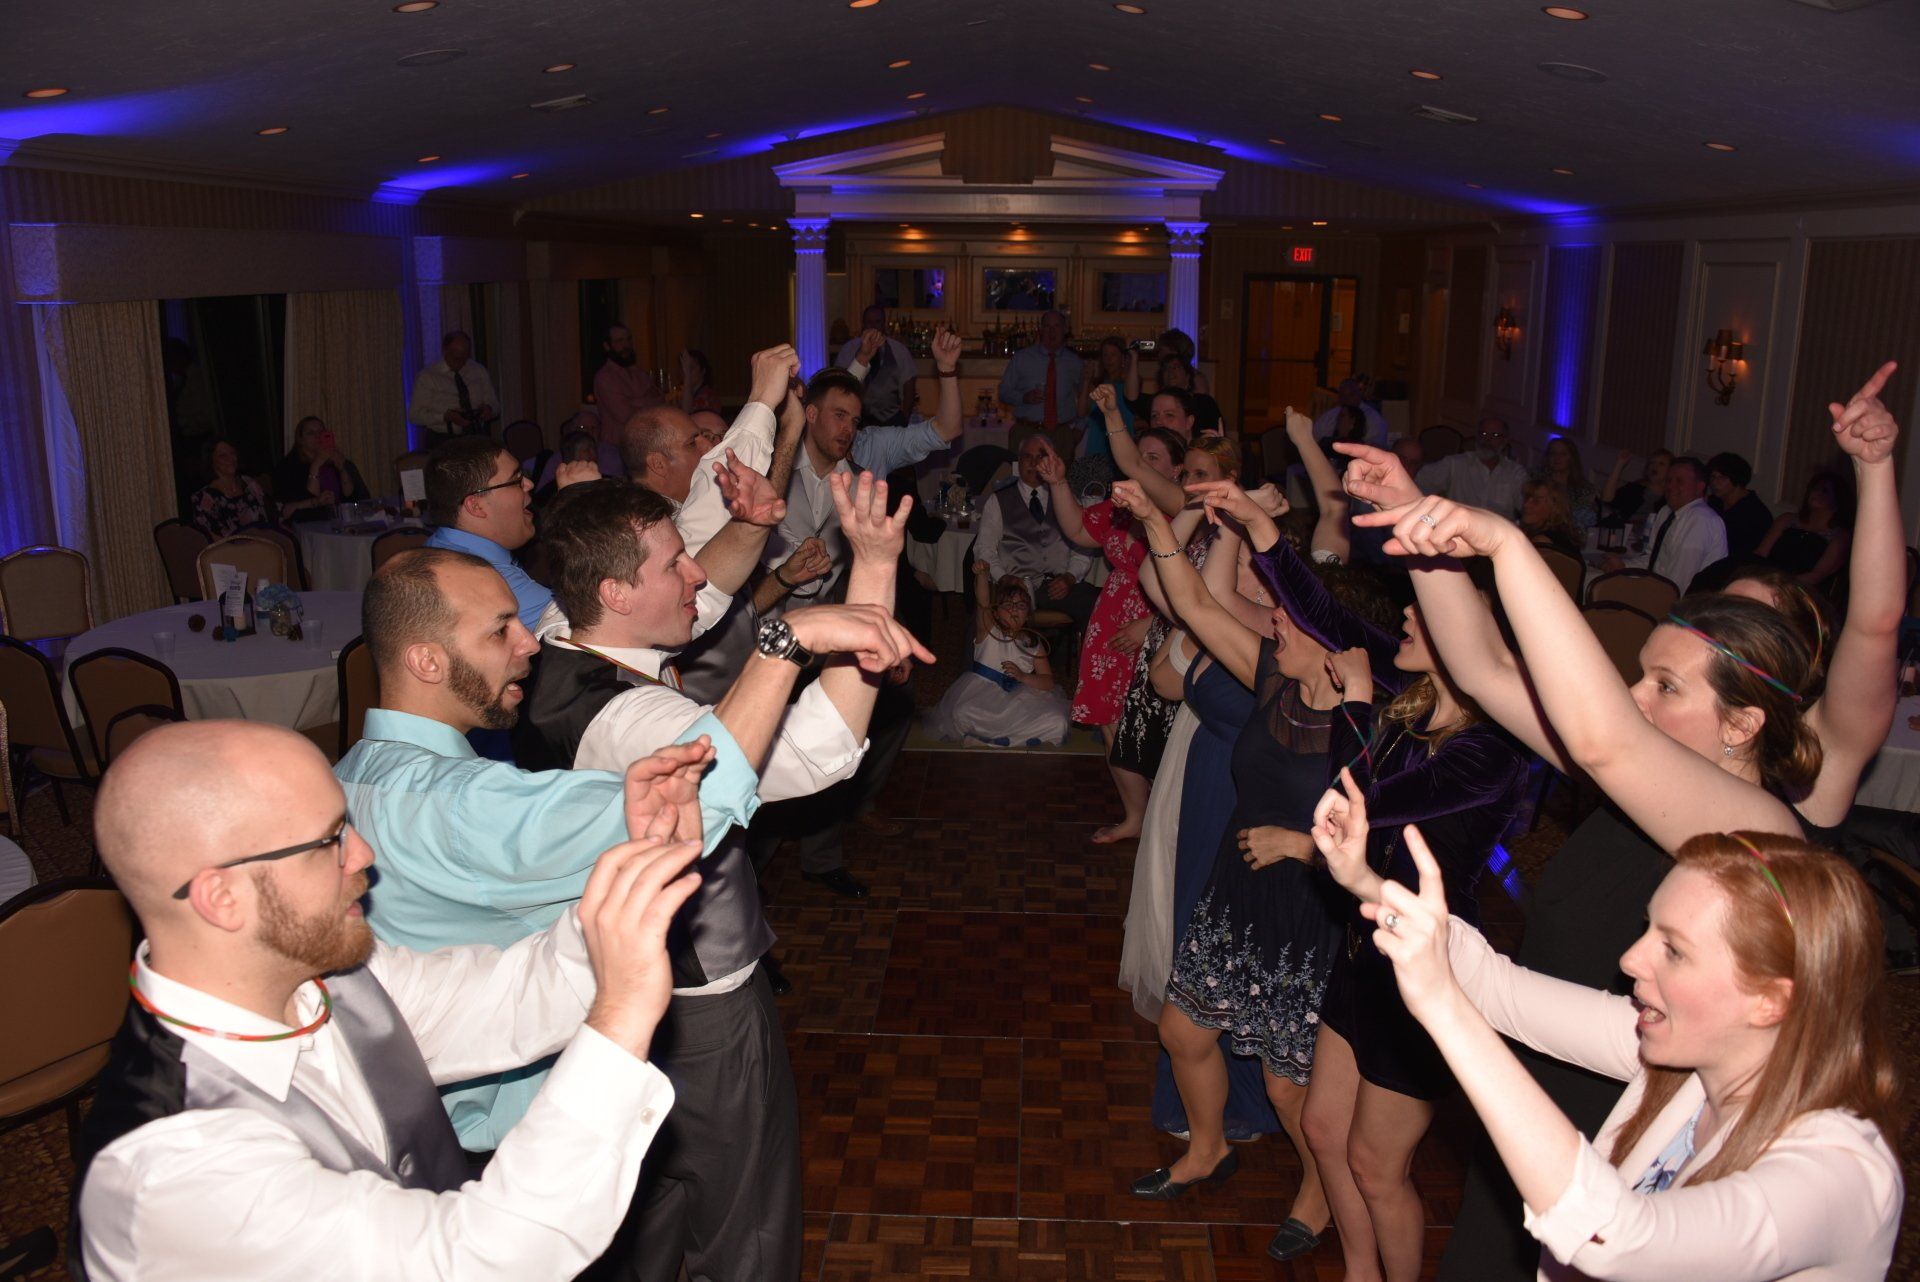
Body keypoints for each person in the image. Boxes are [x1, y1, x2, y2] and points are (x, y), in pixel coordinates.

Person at [1340, 446, 1829, 1281]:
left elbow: (1604, 740)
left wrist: (1505, 543)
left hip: (1626, 1108)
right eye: (1640, 678)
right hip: (1541, 1072)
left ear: (1743, 725)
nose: (1635, 699)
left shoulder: (1759, 828)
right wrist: (1420, 524)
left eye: (1665, 688)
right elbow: (1487, 671)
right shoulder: (1633, 792)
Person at [73, 718, 700, 1281]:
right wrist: (623, 1014)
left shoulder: (329, 980)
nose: (364, 855)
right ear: (222, 898)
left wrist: (641, 865)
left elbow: (509, 997)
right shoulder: (174, 1172)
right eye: (329, 840)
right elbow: (480, 1258)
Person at [512, 475, 928, 1280]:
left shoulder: (568, 631)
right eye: (676, 564)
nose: (698, 576)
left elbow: (705, 590)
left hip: (613, 986)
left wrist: (745, 524)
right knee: (746, 1223)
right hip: (701, 999)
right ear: (615, 591)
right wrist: (872, 573)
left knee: (650, 1206)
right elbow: (807, 760)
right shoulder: (629, 720)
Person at [1313, 804, 1902, 1282]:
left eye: (1673, 949)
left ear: (1771, 1000)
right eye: (1649, 929)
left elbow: (1614, 1238)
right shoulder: (1686, 1059)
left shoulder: (1839, 1174)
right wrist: (1366, 880)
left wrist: (1444, 1010)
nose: (1629, 959)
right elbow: (1501, 990)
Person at [1113, 478, 1403, 1264]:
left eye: (1286, 614)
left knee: (1288, 1088)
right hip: (1237, 889)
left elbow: (1394, 849)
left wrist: (1302, 845)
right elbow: (1197, 609)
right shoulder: (1273, 673)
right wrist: (1152, 523)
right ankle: (1208, 1147)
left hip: (1313, 910)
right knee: (1184, 1029)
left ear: (1332, 635)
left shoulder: (1373, 724)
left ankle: (1317, 1193)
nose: (1272, 618)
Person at [1045, 426, 1188, 843]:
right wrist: (1057, 482)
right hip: (1110, 622)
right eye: (1136, 457)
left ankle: (1167, 819)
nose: (1140, 466)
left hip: (1161, 618)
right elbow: (1076, 530)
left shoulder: (1184, 513)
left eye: (1152, 459)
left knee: (1155, 722)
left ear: (1176, 471)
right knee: (1110, 721)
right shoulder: (1120, 508)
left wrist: (1154, 625)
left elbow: (1199, 585)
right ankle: (1136, 815)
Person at [926, 566, 1071, 746]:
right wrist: (982, 575)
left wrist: (1023, 676)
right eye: (1008, 605)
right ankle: (1008, 736)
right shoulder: (988, 631)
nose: (1014, 610)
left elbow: (1048, 681)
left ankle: (988, 736)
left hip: (1019, 698)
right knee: (963, 712)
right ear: (995, 612)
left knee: (1057, 721)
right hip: (982, 694)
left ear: (1027, 615)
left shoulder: (1033, 644)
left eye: (1020, 605)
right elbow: (983, 603)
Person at [422, 435, 552, 631]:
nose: (529, 484)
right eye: (516, 480)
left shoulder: (440, 545)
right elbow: (596, 629)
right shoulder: (486, 580)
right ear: (476, 506)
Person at [973, 434, 1099, 626]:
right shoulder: (998, 501)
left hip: (1058, 583)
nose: (1033, 463)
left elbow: (1082, 547)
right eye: (1027, 457)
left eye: (1040, 457)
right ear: (1019, 461)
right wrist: (1003, 577)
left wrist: (1070, 577)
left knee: (1100, 603)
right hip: (1017, 586)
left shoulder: (1066, 497)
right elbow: (984, 549)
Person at [1603, 455, 1728, 592]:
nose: (1671, 486)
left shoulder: (1700, 519)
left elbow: (1679, 583)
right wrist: (1624, 566)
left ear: (1699, 487)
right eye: (1669, 480)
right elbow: (1653, 560)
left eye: (1679, 481)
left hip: (1687, 605)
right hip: (1661, 590)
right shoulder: (1666, 511)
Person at [998, 309, 1085, 458]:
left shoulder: (1075, 362)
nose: (1052, 331)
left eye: (1056, 326)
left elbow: (1086, 399)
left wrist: (1079, 428)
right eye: (1047, 326)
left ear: (1064, 330)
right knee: (1018, 477)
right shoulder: (1022, 358)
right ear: (1040, 330)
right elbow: (1003, 392)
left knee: (1061, 480)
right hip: (1026, 431)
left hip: (1061, 435)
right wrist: (1024, 398)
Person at [1414, 416, 1528, 519]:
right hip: (1460, 530)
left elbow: (1527, 507)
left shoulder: (1515, 473)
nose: (1487, 440)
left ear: (1505, 440)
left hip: (1500, 534)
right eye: (1483, 434)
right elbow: (1420, 483)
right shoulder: (1455, 464)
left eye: (1495, 435)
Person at [1757, 469, 1853, 588]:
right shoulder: (1787, 520)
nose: (1817, 493)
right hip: (1769, 579)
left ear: (1838, 499)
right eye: (1815, 489)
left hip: (1803, 590)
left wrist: (1781, 586)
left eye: (1825, 491)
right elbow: (1760, 553)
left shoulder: (1840, 536)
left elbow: (1817, 575)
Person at [272, 416, 369, 524]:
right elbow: (295, 506)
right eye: (311, 433)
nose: (318, 437)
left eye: (321, 432)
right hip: (308, 525)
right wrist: (317, 464)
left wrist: (342, 469)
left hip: (340, 522)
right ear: (301, 440)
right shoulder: (289, 466)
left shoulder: (335, 461)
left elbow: (356, 499)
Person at [409, 330, 500, 441]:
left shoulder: (478, 371)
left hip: (476, 436)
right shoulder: (428, 376)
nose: (461, 363)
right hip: (443, 439)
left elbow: (495, 405)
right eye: (456, 358)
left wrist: (489, 409)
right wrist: (445, 417)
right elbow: (414, 416)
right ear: (445, 350)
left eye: (465, 357)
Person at [837, 306, 916, 427]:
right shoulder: (849, 349)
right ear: (863, 323)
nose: (873, 326)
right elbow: (838, 382)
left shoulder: (899, 350)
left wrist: (904, 417)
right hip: (857, 419)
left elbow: (909, 385)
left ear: (883, 323)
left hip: (891, 420)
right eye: (869, 322)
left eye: (877, 322)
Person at [191, 439, 273, 537]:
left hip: (263, 545)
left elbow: (268, 513)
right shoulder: (203, 499)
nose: (230, 458)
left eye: (232, 453)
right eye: (223, 455)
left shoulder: (249, 483)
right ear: (211, 461)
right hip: (229, 550)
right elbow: (210, 539)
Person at [593, 323, 664, 431]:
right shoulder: (604, 377)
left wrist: (633, 402)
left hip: (643, 441)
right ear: (607, 346)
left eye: (628, 339)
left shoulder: (639, 373)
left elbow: (660, 400)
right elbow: (625, 416)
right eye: (619, 341)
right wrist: (646, 401)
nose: (626, 345)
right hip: (616, 445)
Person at [1707, 451, 1773, 562]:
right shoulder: (1714, 502)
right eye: (1713, 477)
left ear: (1736, 478)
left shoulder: (1755, 514)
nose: (1714, 482)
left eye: (1722, 477)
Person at [534, 409, 625, 488]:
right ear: (573, 429)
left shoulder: (613, 455)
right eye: (583, 427)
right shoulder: (557, 459)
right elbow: (543, 494)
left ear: (600, 430)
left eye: (594, 428)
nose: (589, 432)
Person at [1533, 435, 1598, 542]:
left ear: (1572, 458)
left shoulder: (1583, 488)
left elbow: (1583, 521)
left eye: (1563, 454)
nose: (1557, 458)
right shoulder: (1537, 479)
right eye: (1553, 453)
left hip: (1569, 537)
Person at [1601, 446, 1673, 523]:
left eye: (1661, 464)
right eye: (1651, 462)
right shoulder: (1635, 489)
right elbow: (1606, 500)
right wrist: (1619, 464)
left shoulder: (1670, 497)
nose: (1654, 466)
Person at [1313, 377, 1389, 449]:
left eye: (1351, 395)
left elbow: (1377, 445)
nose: (1347, 399)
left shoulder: (1374, 418)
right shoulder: (1329, 416)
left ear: (1359, 394)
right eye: (1343, 395)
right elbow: (1316, 437)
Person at [1518, 479, 1583, 560]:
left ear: (1554, 508)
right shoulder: (1530, 532)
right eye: (1526, 498)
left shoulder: (1543, 543)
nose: (1526, 505)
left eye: (1536, 501)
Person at [678, 349, 723, 415]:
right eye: (684, 368)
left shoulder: (707, 396)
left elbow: (685, 418)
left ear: (703, 371)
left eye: (691, 367)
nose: (686, 372)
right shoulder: (683, 394)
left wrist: (687, 377)